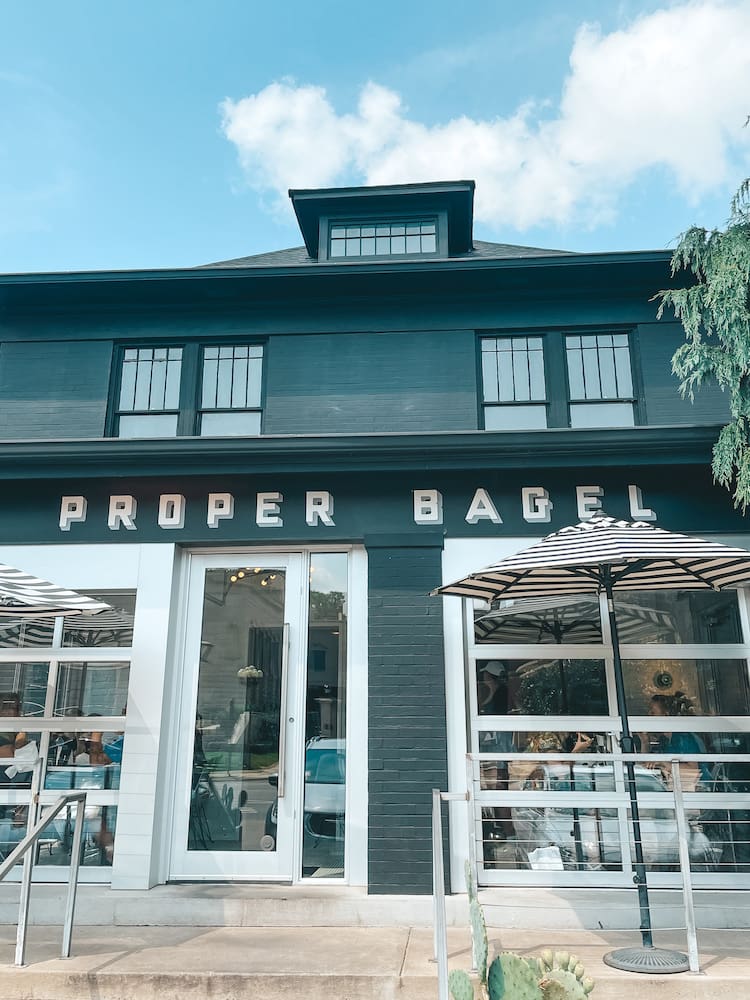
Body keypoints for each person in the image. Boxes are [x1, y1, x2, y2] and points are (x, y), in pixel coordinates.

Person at [477, 661, 515, 840]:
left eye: (485, 674)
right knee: (495, 788)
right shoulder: (495, 693)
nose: (482, 677)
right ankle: (502, 827)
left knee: (498, 787)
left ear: (490, 676)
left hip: (497, 749)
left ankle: (507, 830)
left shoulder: (500, 694)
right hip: (492, 749)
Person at [648, 691, 712, 784]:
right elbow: (648, 764)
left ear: (666, 715)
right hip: (675, 785)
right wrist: (644, 742)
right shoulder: (664, 739)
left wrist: (662, 763)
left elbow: (693, 770)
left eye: (652, 712)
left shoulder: (684, 737)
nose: (648, 715)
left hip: (696, 788)